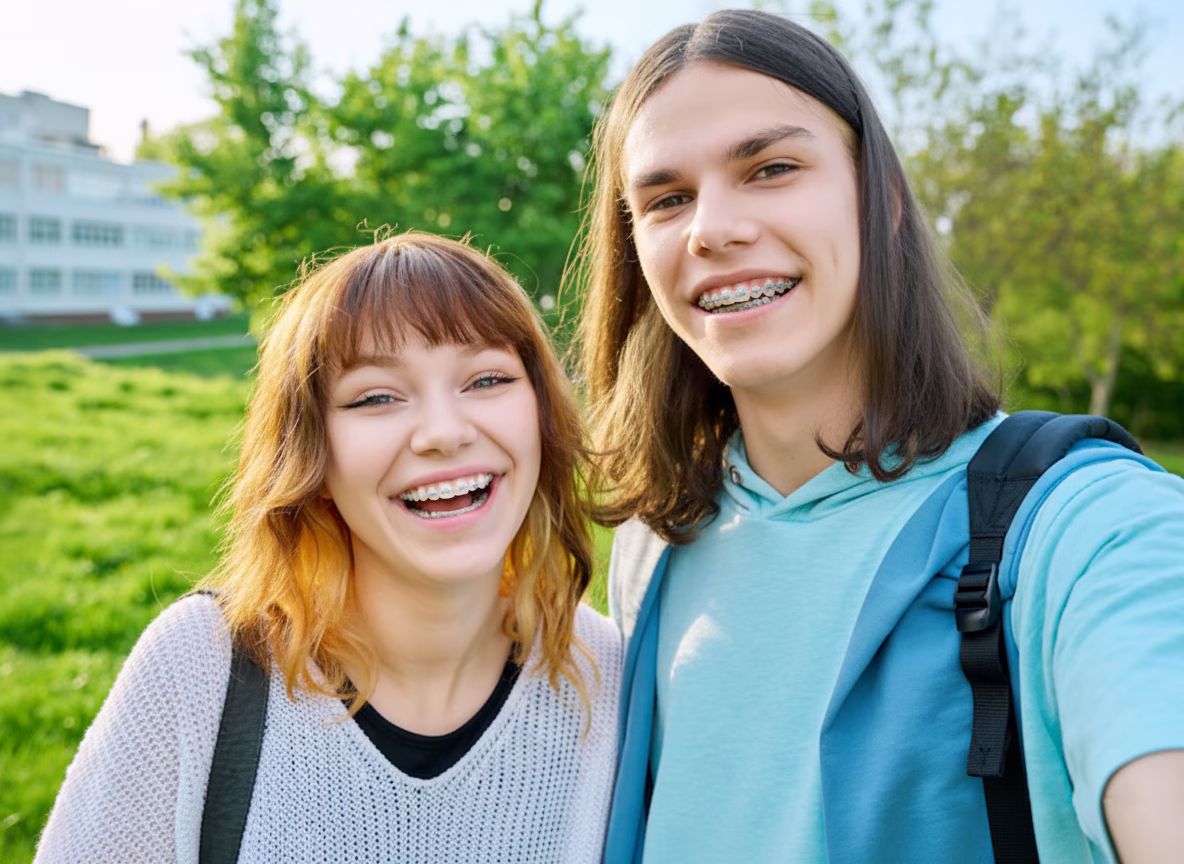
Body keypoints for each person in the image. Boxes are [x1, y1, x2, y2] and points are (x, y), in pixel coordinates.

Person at [573, 9, 1184, 863]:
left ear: (883, 199)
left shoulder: (1085, 526)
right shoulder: (653, 547)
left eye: (772, 167)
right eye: (667, 198)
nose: (711, 229)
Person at [35, 232, 620, 863]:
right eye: (375, 397)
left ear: (543, 416)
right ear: (311, 456)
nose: (445, 434)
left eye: (485, 379)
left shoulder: (606, 677)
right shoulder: (201, 669)